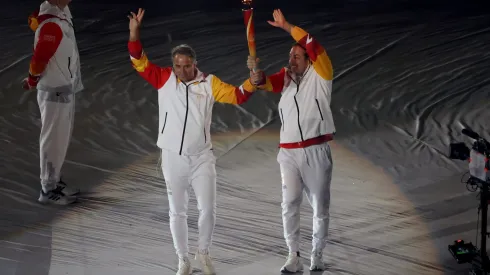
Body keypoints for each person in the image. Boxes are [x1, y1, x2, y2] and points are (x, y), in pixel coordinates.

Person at [127, 8, 261, 275]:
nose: (182, 70)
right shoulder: (164, 79)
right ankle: (183, 259)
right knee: (176, 212)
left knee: (208, 209)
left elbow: (238, 96)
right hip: (172, 157)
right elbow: (138, 60)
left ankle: (204, 253)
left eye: (186, 65)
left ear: (194, 63)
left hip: (201, 157)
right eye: (178, 65)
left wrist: (253, 82)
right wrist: (134, 32)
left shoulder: (208, 83)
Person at [247, 9, 335, 273]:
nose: (291, 60)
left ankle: (316, 254)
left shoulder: (322, 75)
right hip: (288, 153)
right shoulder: (286, 79)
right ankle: (293, 256)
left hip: (316, 151)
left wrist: (287, 27)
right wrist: (255, 76)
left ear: (309, 60)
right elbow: (264, 82)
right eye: (289, 56)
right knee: (290, 203)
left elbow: (313, 44)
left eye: (296, 56)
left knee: (319, 207)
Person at [24, 0, 82, 205]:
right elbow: (39, 58)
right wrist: (32, 79)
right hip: (54, 91)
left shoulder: (61, 16)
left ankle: (54, 181)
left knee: (60, 140)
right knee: (52, 141)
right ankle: (47, 190)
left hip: (64, 88)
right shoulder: (52, 25)